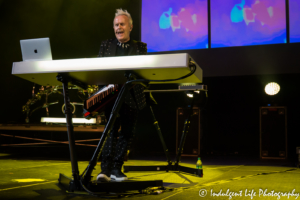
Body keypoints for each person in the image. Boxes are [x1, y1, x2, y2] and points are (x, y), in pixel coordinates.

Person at [96, 8, 147, 182]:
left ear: (130, 27)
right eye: (116, 25)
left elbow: (143, 72)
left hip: (131, 96)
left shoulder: (140, 47)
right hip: (111, 95)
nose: (119, 27)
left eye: (122, 24)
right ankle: (105, 170)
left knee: (127, 133)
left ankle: (117, 170)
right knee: (110, 132)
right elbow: (99, 70)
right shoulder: (106, 45)